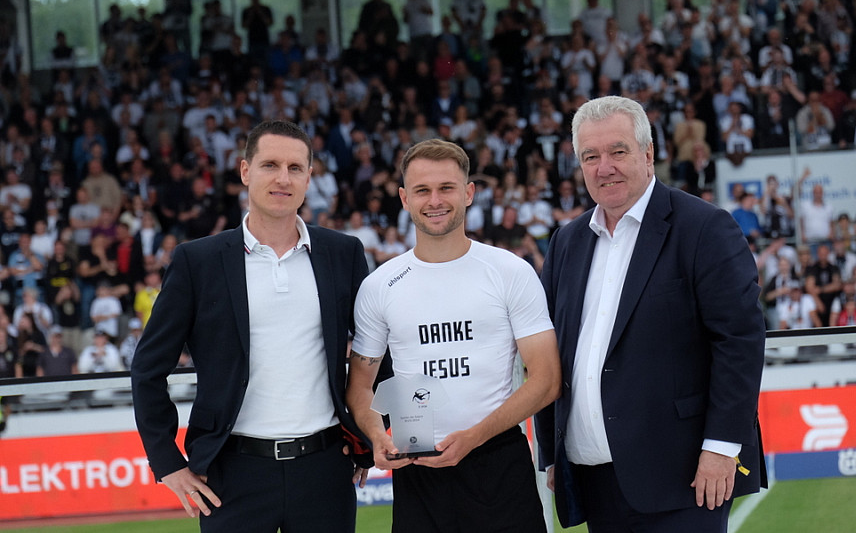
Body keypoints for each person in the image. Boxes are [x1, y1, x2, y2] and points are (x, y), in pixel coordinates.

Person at [535, 96, 766, 531]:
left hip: (685, 476)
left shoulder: (704, 227)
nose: (604, 167)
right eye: (591, 156)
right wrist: (552, 452)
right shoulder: (567, 242)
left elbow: (739, 342)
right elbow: (552, 349)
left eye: (618, 151)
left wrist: (722, 447)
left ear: (648, 153)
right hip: (593, 478)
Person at [131, 120, 372, 532]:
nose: (283, 178)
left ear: (309, 177)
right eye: (270, 165)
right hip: (231, 475)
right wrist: (167, 462)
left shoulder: (343, 252)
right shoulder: (197, 261)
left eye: (295, 168)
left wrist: (368, 436)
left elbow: (375, 351)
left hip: (326, 470)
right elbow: (148, 368)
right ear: (245, 171)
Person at [347, 139, 560, 533]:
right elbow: (360, 386)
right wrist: (377, 435)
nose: (435, 201)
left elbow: (546, 379)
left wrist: (474, 437)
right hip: (416, 469)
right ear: (404, 198)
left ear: (468, 193)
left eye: (446, 188)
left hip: (498, 463)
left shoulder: (509, 272)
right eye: (422, 190)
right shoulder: (380, 285)